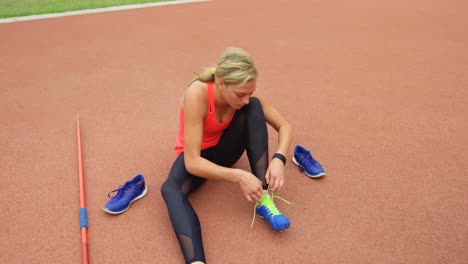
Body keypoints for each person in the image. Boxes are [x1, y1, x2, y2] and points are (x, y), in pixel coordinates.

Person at [160, 47, 292, 264]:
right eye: (241, 95)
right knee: (170, 189)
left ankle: (263, 197)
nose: (246, 99)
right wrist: (239, 176)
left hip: (226, 149)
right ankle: (196, 261)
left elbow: (284, 126)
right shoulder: (197, 94)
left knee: (255, 108)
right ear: (221, 82)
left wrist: (280, 159)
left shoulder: (247, 94)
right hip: (199, 157)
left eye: (250, 92)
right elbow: (192, 162)